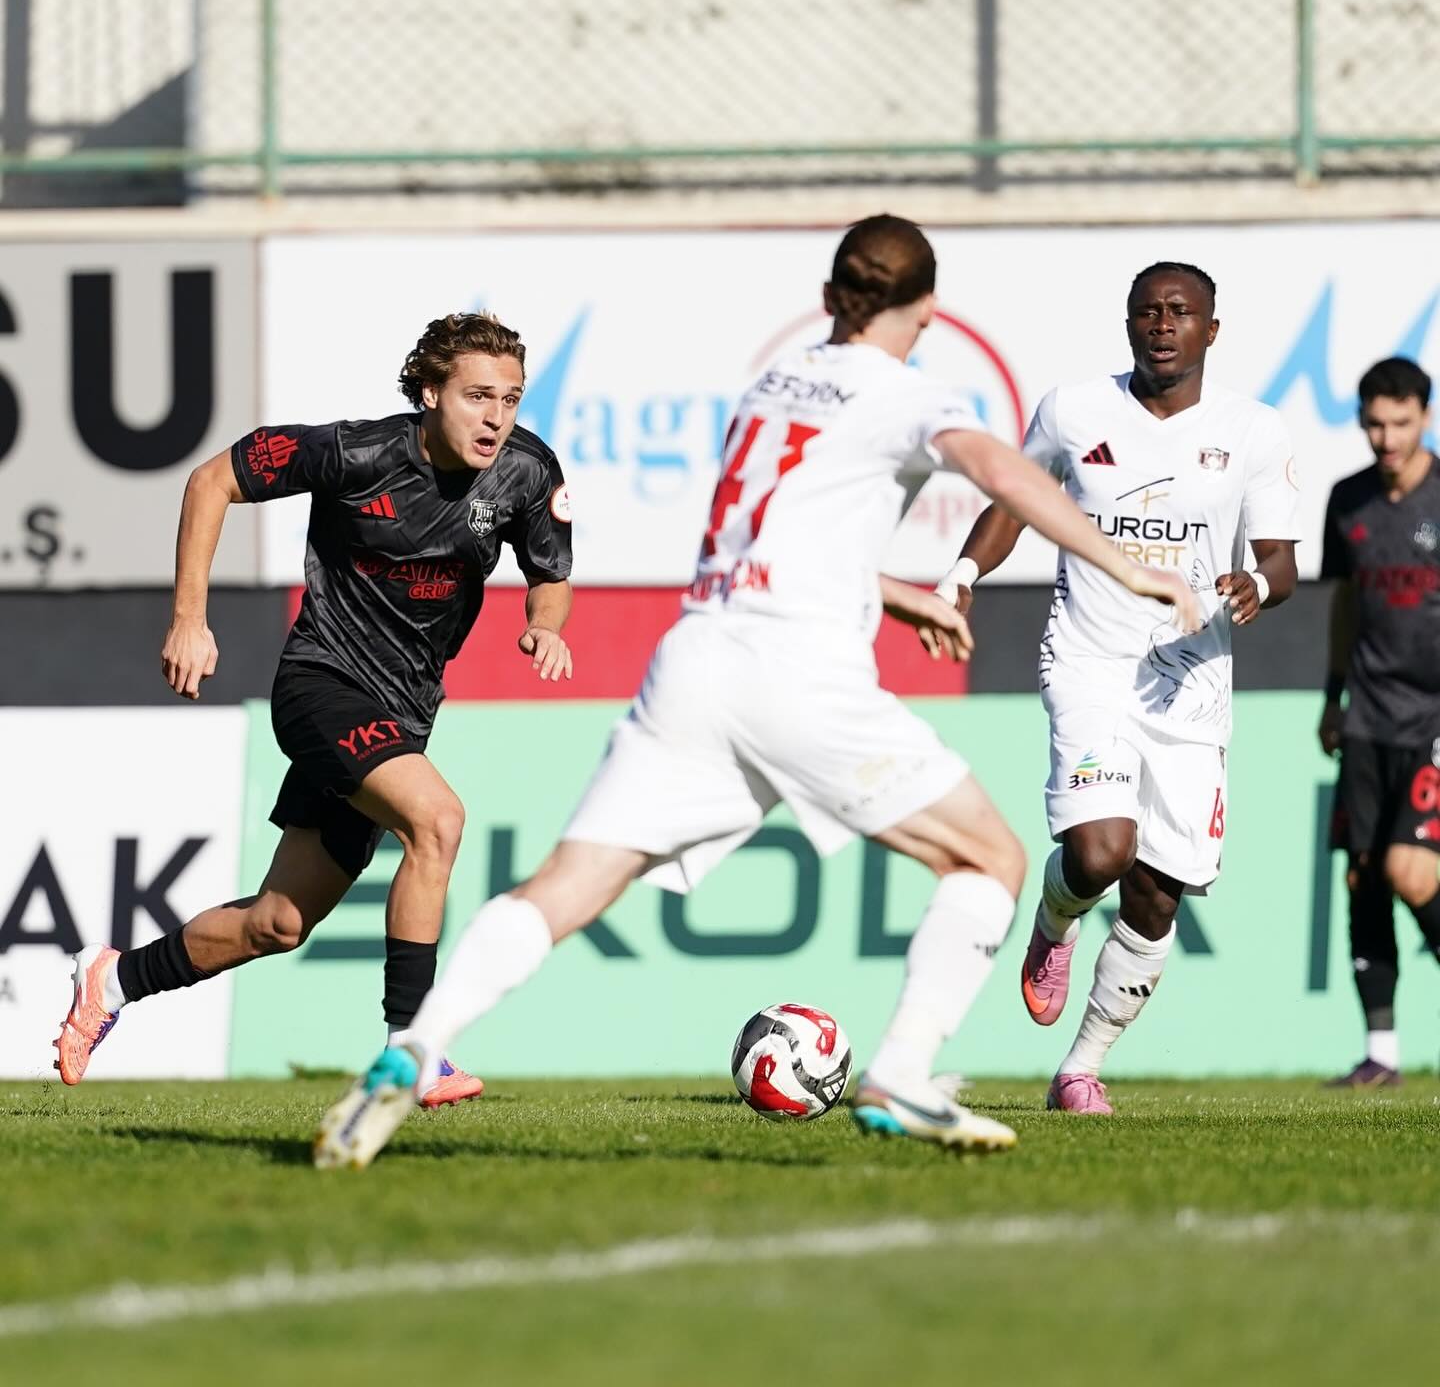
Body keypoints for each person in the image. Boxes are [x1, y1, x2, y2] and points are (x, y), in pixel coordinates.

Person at [311, 216, 1202, 1169]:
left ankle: (415, 1045)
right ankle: (902, 1074)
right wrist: (1126, 566)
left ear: (829, 301)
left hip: (697, 659)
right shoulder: (906, 393)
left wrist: (893, 594)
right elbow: (999, 470)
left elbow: (782, 536)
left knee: (566, 886)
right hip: (799, 668)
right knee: (990, 860)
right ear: (927, 311)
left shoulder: (772, 386)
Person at [52, 312, 574, 1110]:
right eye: (477, 396)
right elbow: (212, 481)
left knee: (277, 923)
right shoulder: (354, 453)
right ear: (430, 393)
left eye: (509, 399)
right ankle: (412, 1049)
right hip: (320, 685)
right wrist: (189, 619)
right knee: (436, 821)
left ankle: (113, 980)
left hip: (403, 714)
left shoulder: (528, 473)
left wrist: (545, 625)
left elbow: (550, 574)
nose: (495, 417)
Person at [931, 262, 1299, 1115]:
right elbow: (1012, 503)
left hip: (1191, 686)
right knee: (1101, 851)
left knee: (1158, 892)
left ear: (1211, 330)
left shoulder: (1253, 431)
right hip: (1090, 661)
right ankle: (1054, 922)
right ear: (1128, 324)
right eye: (1147, 312)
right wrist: (960, 575)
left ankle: (1081, 1068)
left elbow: (1279, 562)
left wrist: (1254, 585)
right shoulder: (1073, 411)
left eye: (1180, 312)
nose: (1162, 324)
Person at [1319, 356, 1440, 1088]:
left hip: (1432, 717)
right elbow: (1344, 607)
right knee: (1364, 876)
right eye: (1373, 423)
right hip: (1366, 715)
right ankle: (1382, 1054)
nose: (1386, 438)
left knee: (1408, 870)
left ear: (1424, 417)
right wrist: (1332, 696)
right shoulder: (1347, 501)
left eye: (1399, 423)